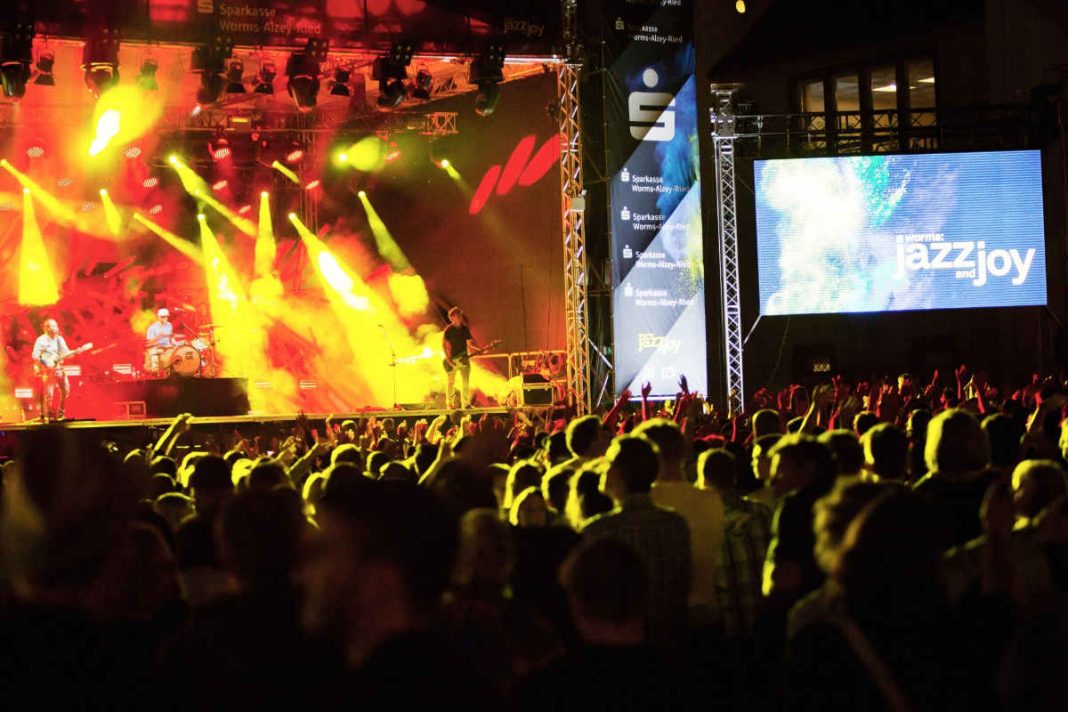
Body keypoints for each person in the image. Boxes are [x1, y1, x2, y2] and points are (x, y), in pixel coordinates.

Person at [31, 318, 72, 421]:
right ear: (47, 328)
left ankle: (60, 414)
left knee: (65, 391)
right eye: (53, 326)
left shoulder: (60, 339)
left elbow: (66, 352)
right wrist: (45, 362)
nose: (56, 328)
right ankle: (50, 416)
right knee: (49, 395)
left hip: (59, 369)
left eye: (56, 325)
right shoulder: (41, 340)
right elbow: (35, 355)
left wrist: (74, 353)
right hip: (47, 370)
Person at [442, 307, 481, 409]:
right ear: (452, 317)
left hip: (464, 359)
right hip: (452, 360)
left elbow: (470, 344)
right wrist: (449, 360)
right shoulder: (448, 330)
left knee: (465, 382)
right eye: (458, 315)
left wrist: (478, 349)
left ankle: (466, 404)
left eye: (460, 315)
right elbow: (444, 346)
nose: (460, 317)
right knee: (451, 382)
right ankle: (449, 403)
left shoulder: (465, 329)